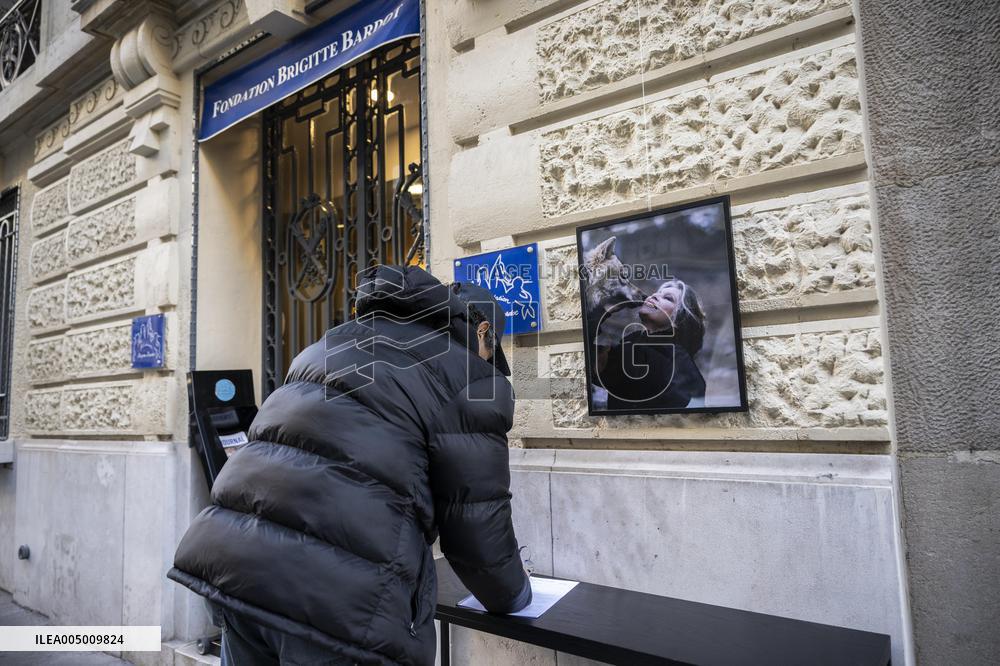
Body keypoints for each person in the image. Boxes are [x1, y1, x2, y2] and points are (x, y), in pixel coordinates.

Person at [168, 265, 532, 665]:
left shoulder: (330, 346)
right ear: (482, 333)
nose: (488, 361)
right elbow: (476, 525)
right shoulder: (465, 378)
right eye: (491, 349)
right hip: (331, 603)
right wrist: (515, 596)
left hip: (235, 571)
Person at [594, 279, 707, 411]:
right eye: (657, 293)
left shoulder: (672, 356)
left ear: (677, 319)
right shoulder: (634, 341)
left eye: (668, 298)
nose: (654, 296)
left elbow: (594, 363)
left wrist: (603, 308)